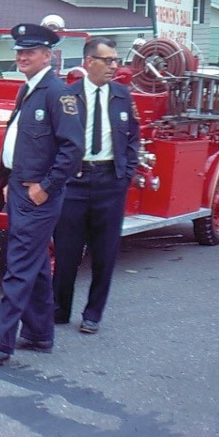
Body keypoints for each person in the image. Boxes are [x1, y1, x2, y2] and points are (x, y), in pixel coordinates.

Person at [0, 23, 83, 369]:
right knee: (35, 268)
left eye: (29, 52)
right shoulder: (28, 90)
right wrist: (7, 178)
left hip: (37, 195)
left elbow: (72, 149)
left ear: (48, 55)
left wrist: (44, 187)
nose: (22, 57)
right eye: (18, 51)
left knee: (18, 267)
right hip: (19, 188)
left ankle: (0, 344)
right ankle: (39, 333)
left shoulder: (58, 93)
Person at [53, 37, 139, 334]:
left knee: (104, 254)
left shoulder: (123, 96)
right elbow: (56, 139)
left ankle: (93, 314)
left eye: (116, 60)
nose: (115, 66)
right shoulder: (68, 96)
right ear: (90, 62)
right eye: (109, 60)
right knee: (66, 252)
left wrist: (124, 174)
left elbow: (132, 139)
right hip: (74, 183)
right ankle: (59, 309)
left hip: (109, 184)